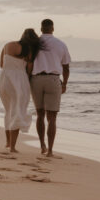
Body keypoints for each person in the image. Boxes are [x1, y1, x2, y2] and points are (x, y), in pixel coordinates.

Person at [30, 18, 71, 156]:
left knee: (40, 114)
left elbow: (28, 63)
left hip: (36, 79)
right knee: (52, 117)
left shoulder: (34, 43)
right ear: (52, 28)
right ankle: (51, 151)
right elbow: (66, 67)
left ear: (41, 29)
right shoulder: (60, 44)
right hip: (53, 79)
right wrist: (64, 83)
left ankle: (42, 146)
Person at [0, 28, 42, 152]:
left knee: (8, 110)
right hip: (19, 80)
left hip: (5, 79)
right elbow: (29, 69)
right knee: (17, 110)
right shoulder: (29, 50)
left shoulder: (7, 45)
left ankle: (7, 142)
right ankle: (12, 147)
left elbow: (1, 64)